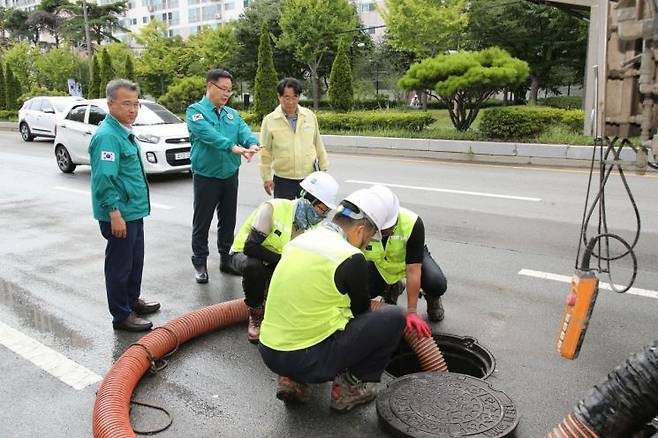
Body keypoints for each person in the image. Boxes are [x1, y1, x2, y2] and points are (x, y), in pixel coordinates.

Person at [258, 187, 431, 412]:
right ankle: (350, 388)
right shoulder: (349, 256)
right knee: (392, 318)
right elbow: (360, 313)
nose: (367, 243)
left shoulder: (301, 239)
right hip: (307, 358)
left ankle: (291, 380)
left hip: (269, 351)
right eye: (369, 237)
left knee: (309, 314)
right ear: (360, 230)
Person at [229, 171, 339, 343]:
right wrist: (285, 261)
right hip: (244, 255)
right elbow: (250, 247)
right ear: (310, 200)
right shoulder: (274, 208)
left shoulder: (312, 227)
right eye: (321, 209)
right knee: (254, 268)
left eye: (326, 211)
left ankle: (275, 305)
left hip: (273, 261)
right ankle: (256, 313)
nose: (322, 215)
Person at [89, 79, 161, 332]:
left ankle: (132, 301)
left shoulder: (123, 131)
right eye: (126, 104)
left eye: (136, 104)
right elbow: (103, 179)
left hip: (133, 211)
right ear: (110, 104)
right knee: (120, 266)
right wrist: (114, 213)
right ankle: (121, 315)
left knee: (134, 260)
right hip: (120, 214)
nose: (133, 109)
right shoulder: (108, 136)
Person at [186, 69, 260, 284]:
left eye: (229, 90)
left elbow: (243, 131)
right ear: (210, 86)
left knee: (228, 219)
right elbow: (209, 136)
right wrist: (233, 147)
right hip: (206, 175)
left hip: (229, 173)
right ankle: (200, 261)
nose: (227, 94)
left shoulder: (231, 114)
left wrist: (251, 144)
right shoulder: (195, 112)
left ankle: (226, 259)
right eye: (223, 89)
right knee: (202, 220)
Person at [362, 185, 448, 322]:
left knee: (436, 283)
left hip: (411, 259)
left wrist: (412, 311)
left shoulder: (412, 223)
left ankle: (433, 298)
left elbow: (413, 269)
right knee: (362, 288)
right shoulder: (361, 225)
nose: (385, 231)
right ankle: (391, 287)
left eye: (389, 226)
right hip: (381, 265)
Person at [259, 77, 329, 200]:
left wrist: (324, 169)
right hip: (283, 180)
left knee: (308, 217)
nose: (291, 102)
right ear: (279, 97)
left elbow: (318, 144)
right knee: (284, 217)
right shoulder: (270, 120)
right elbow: (265, 152)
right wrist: (266, 177)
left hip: (309, 179)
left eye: (294, 97)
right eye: (287, 97)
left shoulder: (309, 116)